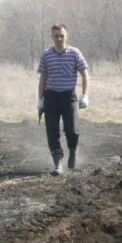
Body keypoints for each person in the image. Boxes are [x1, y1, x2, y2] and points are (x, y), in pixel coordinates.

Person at [37, 24, 89, 175]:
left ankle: (73, 150)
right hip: (51, 97)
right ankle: (58, 163)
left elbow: (85, 75)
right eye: (56, 36)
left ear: (67, 36)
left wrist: (85, 95)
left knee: (72, 130)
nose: (59, 38)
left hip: (69, 97)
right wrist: (40, 100)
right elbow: (43, 78)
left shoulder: (75, 53)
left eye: (61, 35)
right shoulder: (46, 55)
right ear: (52, 37)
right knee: (52, 131)